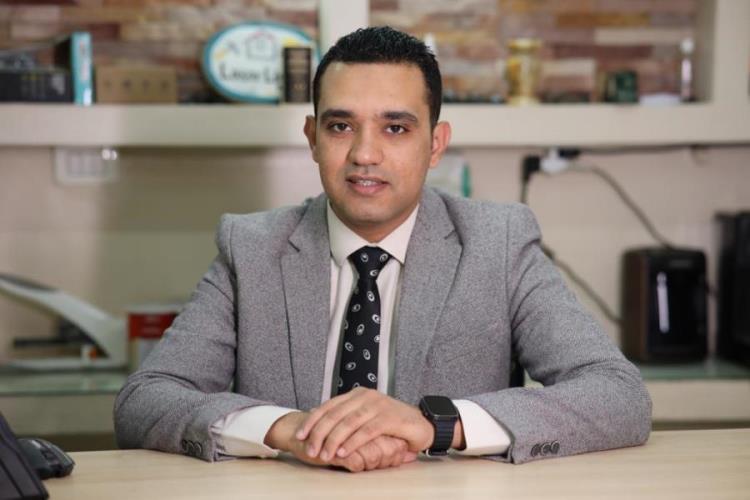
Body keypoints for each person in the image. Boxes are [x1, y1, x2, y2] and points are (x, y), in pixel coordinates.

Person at [114, 26, 651, 472]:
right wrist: (287, 428)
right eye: (341, 126)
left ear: (435, 144)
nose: (364, 154)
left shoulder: (498, 241)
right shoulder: (251, 247)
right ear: (313, 138)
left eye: (395, 128)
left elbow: (618, 394)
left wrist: (435, 425)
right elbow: (146, 399)